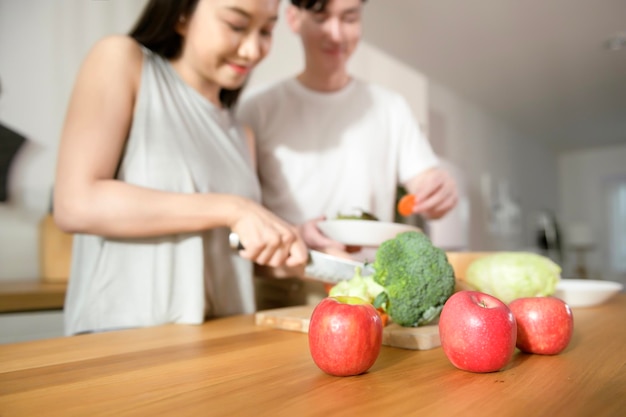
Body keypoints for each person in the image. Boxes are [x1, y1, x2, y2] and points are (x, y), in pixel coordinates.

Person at [54, 0, 308, 336]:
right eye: (236, 25)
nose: (252, 49)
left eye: (266, 30)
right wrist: (233, 207)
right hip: (119, 348)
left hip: (223, 348)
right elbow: (75, 204)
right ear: (182, 14)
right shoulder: (122, 61)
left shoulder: (239, 133)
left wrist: (293, 241)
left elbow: (227, 253)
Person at [237, 0, 458, 307]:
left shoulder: (390, 107)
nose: (336, 34)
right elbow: (242, 211)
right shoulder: (255, 108)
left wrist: (438, 190)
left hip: (371, 289)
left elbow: (427, 184)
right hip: (284, 289)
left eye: (349, 18)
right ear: (293, 19)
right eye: (321, 18)